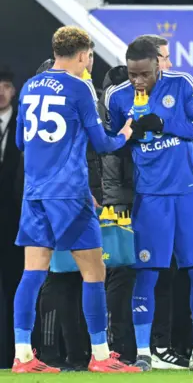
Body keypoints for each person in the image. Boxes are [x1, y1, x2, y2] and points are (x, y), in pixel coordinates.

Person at [12, 26, 139, 374]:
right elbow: (102, 144)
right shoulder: (80, 86)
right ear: (83, 55)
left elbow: (22, 144)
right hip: (67, 195)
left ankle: (22, 355)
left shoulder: (29, 86)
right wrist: (125, 133)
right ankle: (100, 356)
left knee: (32, 274)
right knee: (94, 272)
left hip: (35, 194)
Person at [104, 37, 193, 372]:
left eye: (146, 74)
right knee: (146, 275)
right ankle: (143, 353)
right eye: (134, 74)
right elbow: (109, 144)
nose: (139, 80)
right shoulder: (116, 95)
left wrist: (165, 125)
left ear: (158, 65)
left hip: (188, 195)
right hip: (149, 199)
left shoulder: (182, 85)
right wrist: (127, 136)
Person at [0, 67, 22, 369]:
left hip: (15, 219)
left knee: (16, 285)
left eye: (5, 86)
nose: (0, 92)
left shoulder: (23, 123)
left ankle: (15, 355)